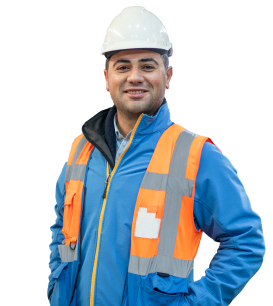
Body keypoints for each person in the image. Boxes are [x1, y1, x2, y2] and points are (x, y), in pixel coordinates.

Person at [47, 6, 265, 306]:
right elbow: (62, 229)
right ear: (106, 77)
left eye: (147, 66)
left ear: (168, 75)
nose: (134, 77)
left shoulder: (196, 155)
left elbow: (246, 242)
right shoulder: (81, 149)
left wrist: (197, 302)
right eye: (123, 66)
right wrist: (55, 286)